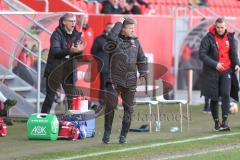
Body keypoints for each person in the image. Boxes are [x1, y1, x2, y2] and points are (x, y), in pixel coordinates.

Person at [102, 17, 148, 144]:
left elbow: (142, 59)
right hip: (114, 80)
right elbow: (111, 36)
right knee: (110, 107)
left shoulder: (136, 42)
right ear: (122, 29)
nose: (133, 30)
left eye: (134, 28)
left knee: (129, 109)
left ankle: (123, 136)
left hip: (130, 81)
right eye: (130, 28)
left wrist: (143, 73)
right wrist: (118, 21)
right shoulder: (114, 41)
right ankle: (106, 134)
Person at [199, 18, 240, 131]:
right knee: (214, 98)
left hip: (226, 71)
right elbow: (202, 55)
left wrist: (237, 64)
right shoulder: (208, 38)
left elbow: (234, 55)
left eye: (222, 27)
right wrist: (215, 64)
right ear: (215, 26)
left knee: (226, 94)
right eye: (218, 27)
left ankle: (225, 122)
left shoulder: (230, 38)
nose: (220, 29)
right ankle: (217, 123)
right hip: (212, 72)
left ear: (225, 27)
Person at [41, 13, 85, 113]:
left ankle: (72, 121)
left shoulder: (77, 35)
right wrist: (71, 50)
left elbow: (79, 57)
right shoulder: (56, 34)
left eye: (74, 21)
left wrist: (79, 51)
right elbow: (56, 52)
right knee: (50, 98)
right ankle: (43, 120)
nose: (73, 23)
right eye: (71, 21)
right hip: (55, 70)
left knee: (71, 98)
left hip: (69, 71)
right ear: (64, 22)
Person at [91, 22, 114, 106]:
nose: (110, 29)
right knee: (103, 85)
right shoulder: (99, 39)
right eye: (109, 27)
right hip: (104, 67)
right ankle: (102, 103)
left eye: (112, 28)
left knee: (112, 87)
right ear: (105, 28)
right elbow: (93, 52)